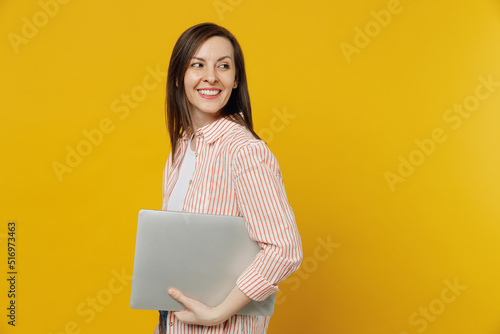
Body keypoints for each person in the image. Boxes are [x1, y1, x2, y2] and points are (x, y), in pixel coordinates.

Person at [155, 22, 302, 334]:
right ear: (179, 77)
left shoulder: (244, 151)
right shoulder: (179, 152)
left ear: (236, 80)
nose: (211, 76)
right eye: (198, 65)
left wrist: (217, 313)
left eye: (223, 66)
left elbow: (284, 249)